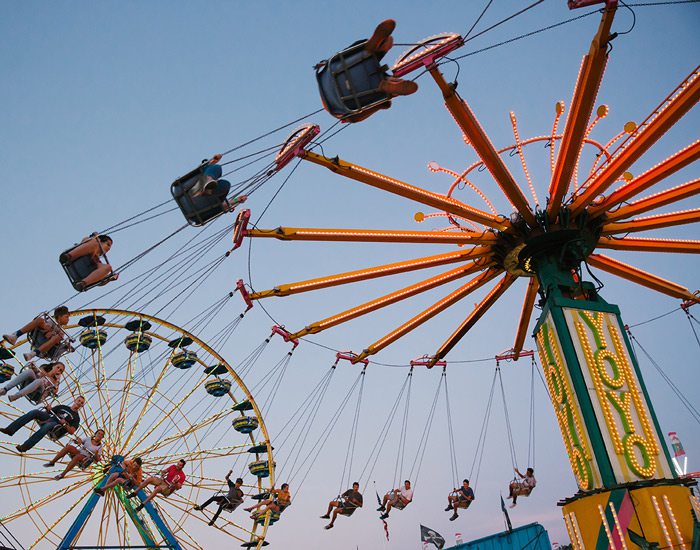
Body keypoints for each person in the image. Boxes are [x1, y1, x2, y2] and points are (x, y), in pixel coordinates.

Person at [340, 20, 418, 123]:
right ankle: (374, 47)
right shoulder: (326, 74)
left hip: (362, 83)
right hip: (354, 69)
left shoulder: (345, 111)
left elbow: (357, 117)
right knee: (385, 42)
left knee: (384, 90)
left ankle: (389, 84)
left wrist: (382, 105)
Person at [0, 395, 84, 452]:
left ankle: (25, 447)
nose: (79, 403)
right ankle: (10, 430)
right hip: (50, 418)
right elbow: (49, 412)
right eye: (79, 400)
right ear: (75, 400)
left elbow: (72, 431)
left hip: (57, 427)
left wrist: (65, 424)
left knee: (48, 426)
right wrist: (48, 408)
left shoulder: (76, 418)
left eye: (81, 402)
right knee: (35, 412)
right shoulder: (63, 407)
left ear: (82, 406)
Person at [3, 306, 71, 361]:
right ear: (59, 317)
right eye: (66, 317)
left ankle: (33, 354)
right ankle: (15, 336)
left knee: (57, 337)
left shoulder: (62, 331)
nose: (68, 319)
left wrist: (53, 335)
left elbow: (53, 339)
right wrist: (48, 331)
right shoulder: (51, 321)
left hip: (45, 348)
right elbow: (46, 332)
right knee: (40, 320)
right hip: (38, 337)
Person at [0, 361, 65, 402]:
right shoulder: (43, 369)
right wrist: (33, 366)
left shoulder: (55, 381)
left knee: (39, 381)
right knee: (30, 372)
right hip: (28, 385)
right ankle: (5, 389)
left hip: (37, 394)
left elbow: (55, 391)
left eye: (60, 370)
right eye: (58, 367)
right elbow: (34, 371)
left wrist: (58, 379)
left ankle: (16, 396)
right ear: (53, 366)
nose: (58, 370)